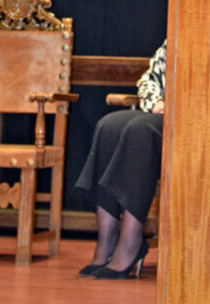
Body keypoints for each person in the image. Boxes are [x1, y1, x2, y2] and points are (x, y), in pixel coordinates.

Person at [75, 40, 166, 280]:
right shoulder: (180, 33)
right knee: (110, 126)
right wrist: (156, 103)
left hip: (196, 118)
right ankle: (106, 240)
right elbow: (149, 79)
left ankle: (131, 242)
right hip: (164, 112)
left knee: (139, 130)